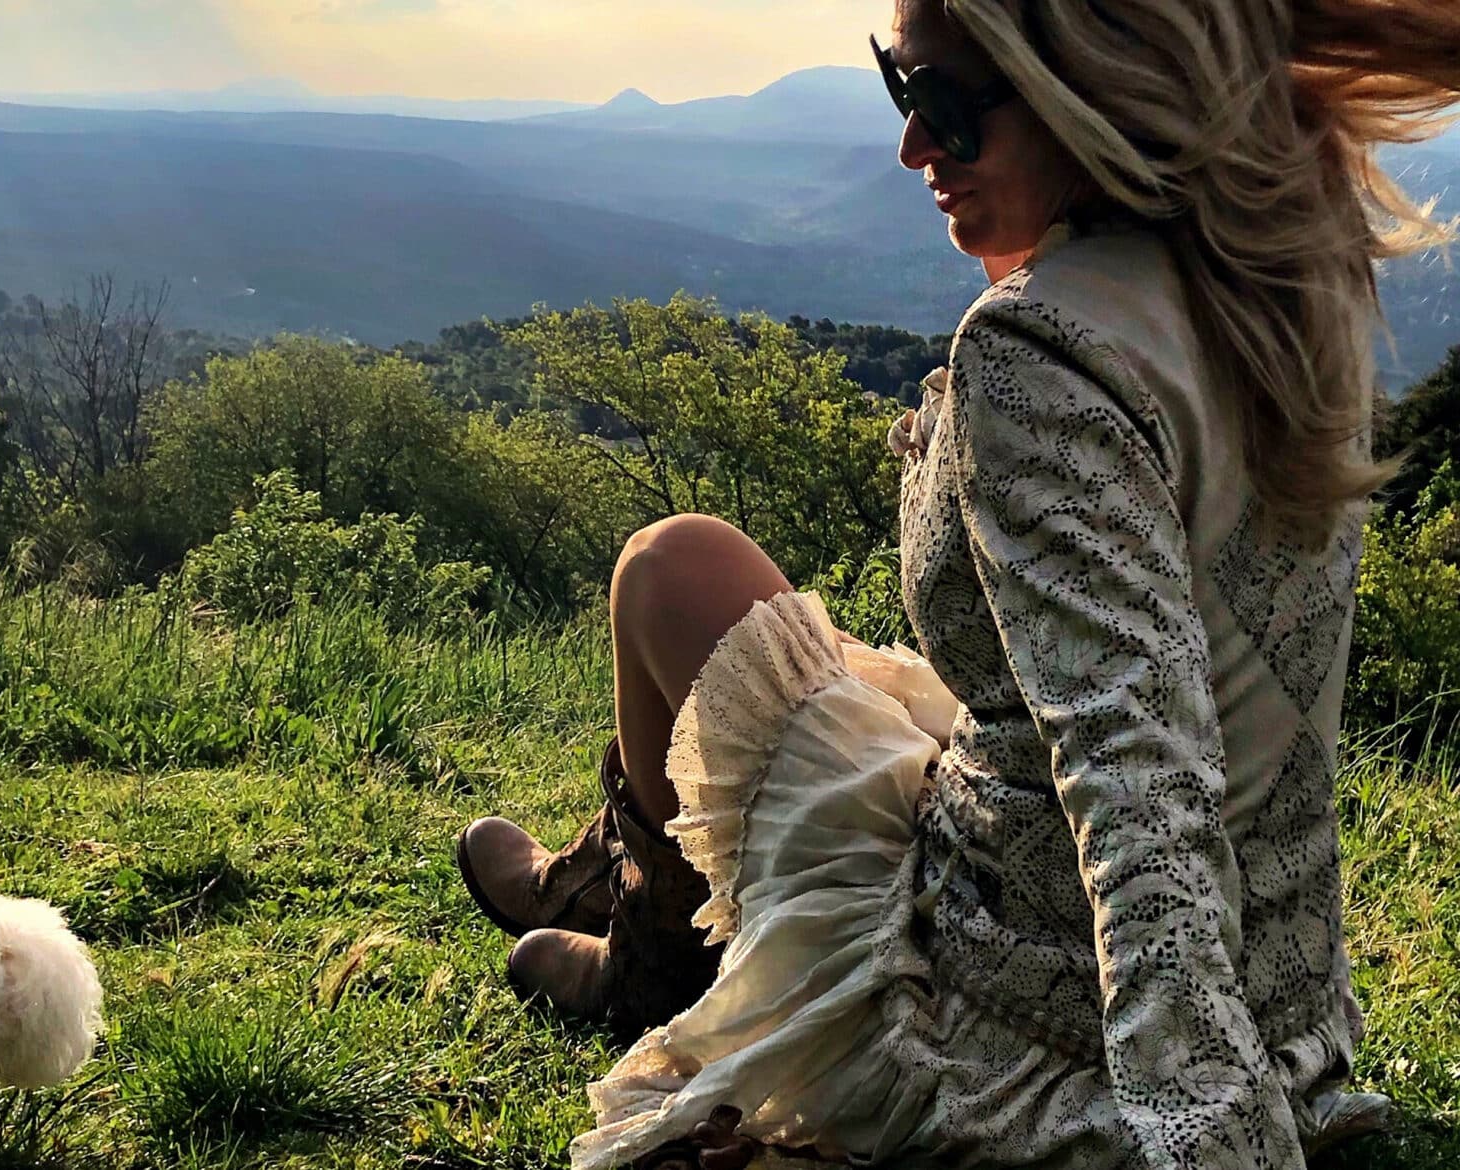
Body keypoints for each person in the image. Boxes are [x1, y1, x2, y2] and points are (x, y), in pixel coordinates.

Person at [454, 0, 1460, 1164]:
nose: (910, 147)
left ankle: (657, 957)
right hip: (1284, 1005)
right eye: (899, 87)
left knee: (667, 566)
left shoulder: (1041, 353)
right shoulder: (1291, 276)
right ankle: (624, 883)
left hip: (1026, 1008)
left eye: (941, 103)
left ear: (1100, 92)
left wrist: (1204, 1135)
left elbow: (1140, 790)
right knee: (773, 624)